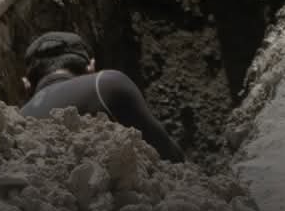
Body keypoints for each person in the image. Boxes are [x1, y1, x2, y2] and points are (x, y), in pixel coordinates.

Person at [18, 32, 185, 162]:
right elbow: (171, 157)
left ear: (26, 86)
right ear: (91, 68)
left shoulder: (16, 124)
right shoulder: (105, 85)